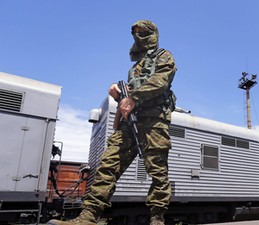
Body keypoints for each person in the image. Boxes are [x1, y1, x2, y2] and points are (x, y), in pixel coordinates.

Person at [48, 20, 177, 225]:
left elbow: (161, 80)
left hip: (154, 124)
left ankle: (157, 219)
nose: (139, 36)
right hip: (129, 124)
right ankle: (89, 217)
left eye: (143, 32)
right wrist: (118, 94)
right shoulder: (134, 68)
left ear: (152, 34)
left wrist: (133, 97)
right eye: (136, 33)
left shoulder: (164, 56)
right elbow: (127, 100)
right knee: (108, 166)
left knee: (158, 171)